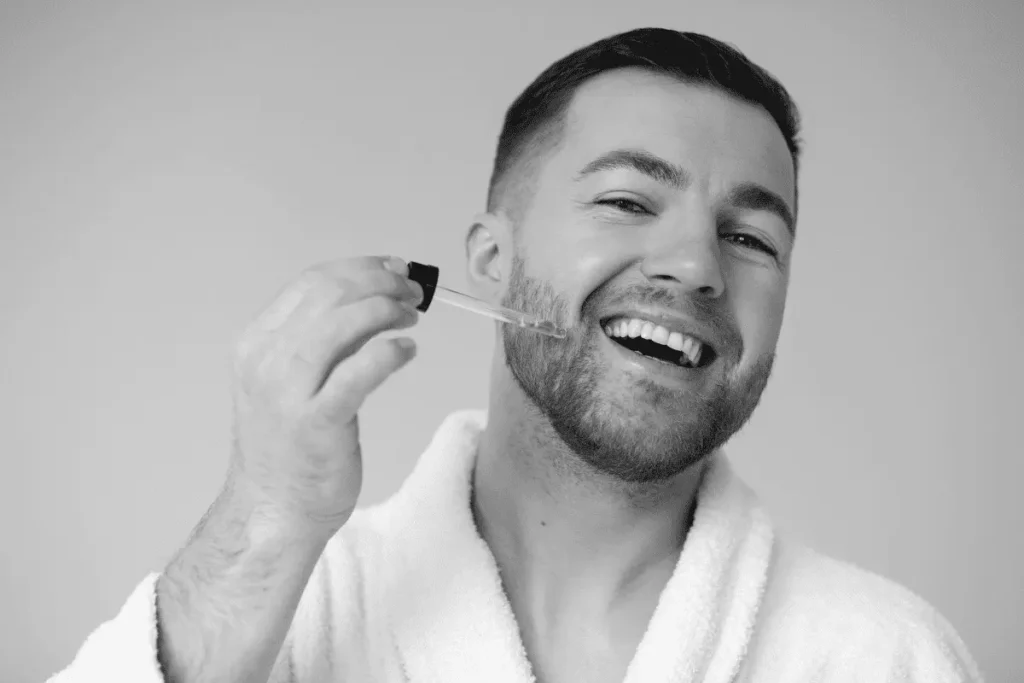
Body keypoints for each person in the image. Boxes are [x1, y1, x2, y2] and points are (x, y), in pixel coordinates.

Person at [49, 27, 984, 683]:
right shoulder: (295, 613)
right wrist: (263, 520)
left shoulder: (885, 657)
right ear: (492, 260)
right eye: (628, 202)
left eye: (751, 238)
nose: (699, 267)